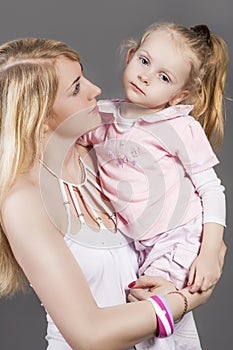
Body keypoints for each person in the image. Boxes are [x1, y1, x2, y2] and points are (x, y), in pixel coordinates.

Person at [0, 37, 226, 350]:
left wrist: (208, 248)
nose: (96, 90)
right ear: (37, 116)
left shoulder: (106, 152)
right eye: (76, 87)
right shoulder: (24, 201)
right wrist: (188, 298)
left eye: (84, 75)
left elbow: (191, 213)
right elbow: (89, 334)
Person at [78, 22, 229, 349]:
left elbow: (211, 188)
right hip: (139, 241)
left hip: (178, 235)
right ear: (131, 56)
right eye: (144, 61)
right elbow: (65, 137)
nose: (146, 76)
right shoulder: (103, 117)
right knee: (158, 319)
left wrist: (208, 251)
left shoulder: (179, 125)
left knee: (148, 310)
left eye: (164, 77)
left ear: (179, 96)